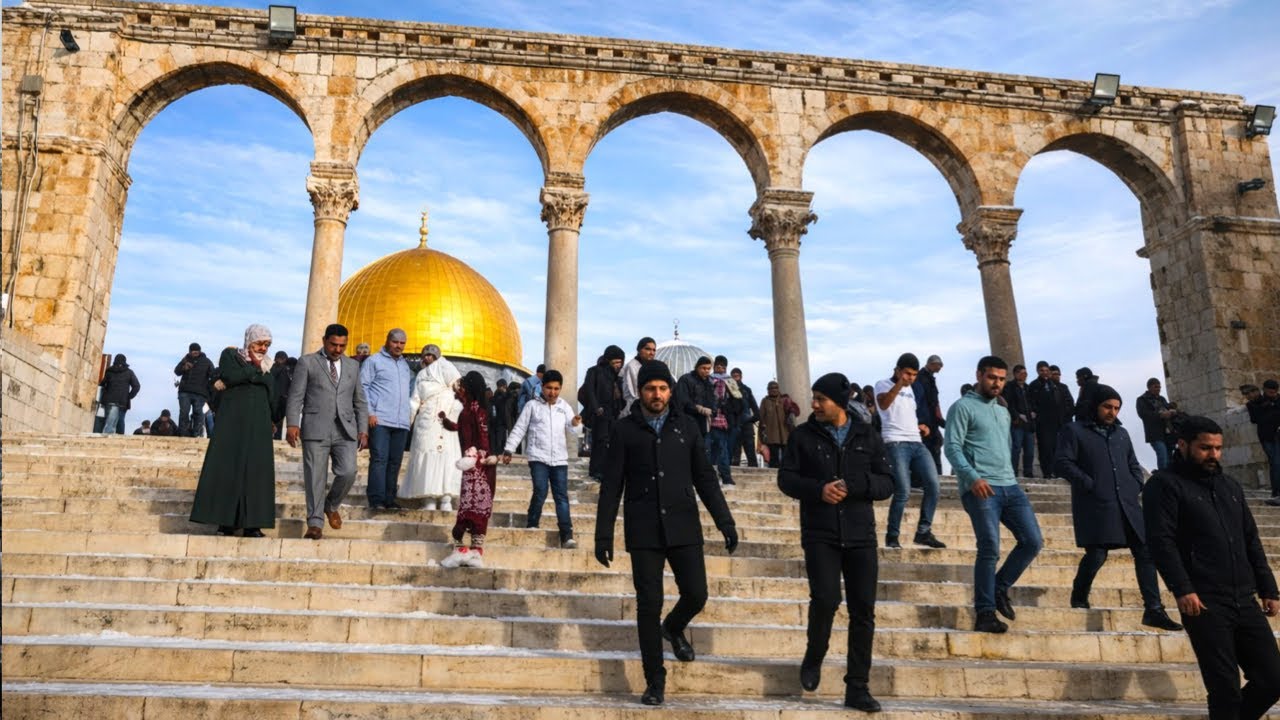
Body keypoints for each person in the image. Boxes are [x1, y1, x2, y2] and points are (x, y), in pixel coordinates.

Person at [595, 360, 737, 706]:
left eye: (661, 388)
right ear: (640, 392)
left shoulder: (687, 427)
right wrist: (603, 535)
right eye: (649, 388)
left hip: (683, 525)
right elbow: (612, 486)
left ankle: (673, 628)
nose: (656, 395)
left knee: (697, 593)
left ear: (670, 391)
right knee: (648, 606)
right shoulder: (626, 430)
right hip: (644, 530)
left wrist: (725, 522)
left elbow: (704, 478)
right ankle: (655, 679)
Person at [1144, 416, 1280, 720]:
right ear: (1183, 445)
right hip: (1204, 601)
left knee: (1273, 680)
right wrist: (1183, 588)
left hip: (1244, 598)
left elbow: (1250, 539)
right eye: (1205, 448)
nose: (1213, 454)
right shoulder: (1164, 485)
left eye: (1218, 448)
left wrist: (1268, 588)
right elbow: (1161, 542)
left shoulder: (1229, 486)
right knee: (1224, 688)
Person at [778, 372, 894, 712]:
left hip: (860, 535)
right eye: (814, 398)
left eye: (820, 399)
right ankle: (814, 656)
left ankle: (857, 686)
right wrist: (819, 490)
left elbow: (886, 483)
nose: (813, 404)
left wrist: (854, 486)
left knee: (863, 612)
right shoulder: (802, 436)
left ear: (839, 404)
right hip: (820, 533)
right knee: (826, 599)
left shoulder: (867, 435)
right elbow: (786, 479)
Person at [1054, 384, 1182, 630]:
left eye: (1116, 408)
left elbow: (1133, 463)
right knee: (1097, 554)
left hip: (1128, 503)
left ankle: (1154, 609)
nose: (1112, 412)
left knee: (1145, 552)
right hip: (1096, 504)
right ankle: (1080, 594)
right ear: (1095, 406)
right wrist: (1089, 483)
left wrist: (1135, 484)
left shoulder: (1121, 434)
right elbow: (1062, 462)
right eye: (1107, 407)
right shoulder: (1074, 430)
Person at [945, 355, 1043, 634]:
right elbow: (952, 447)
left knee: (1033, 541)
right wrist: (972, 477)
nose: (997, 383)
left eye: (1001, 379)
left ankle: (999, 588)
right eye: (992, 378)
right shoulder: (962, 407)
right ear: (979, 375)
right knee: (989, 546)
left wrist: (1012, 478)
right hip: (981, 487)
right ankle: (985, 612)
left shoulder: (1002, 410)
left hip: (1009, 486)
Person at [189, 324, 276, 538]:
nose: (263, 348)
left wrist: (249, 375)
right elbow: (231, 374)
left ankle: (252, 524)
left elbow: (271, 388)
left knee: (256, 472)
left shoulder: (269, 365)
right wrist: (255, 371)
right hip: (232, 421)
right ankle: (226, 521)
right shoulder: (230, 354)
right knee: (228, 467)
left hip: (258, 423)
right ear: (249, 341)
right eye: (259, 343)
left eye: (267, 344)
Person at [285, 323, 369, 540]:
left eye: (342, 345)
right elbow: (296, 396)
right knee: (315, 477)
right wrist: (293, 423)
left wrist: (363, 429)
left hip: (345, 429)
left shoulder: (352, 366)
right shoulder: (307, 362)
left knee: (348, 472)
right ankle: (314, 523)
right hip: (315, 428)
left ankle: (331, 505)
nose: (338, 349)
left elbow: (359, 400)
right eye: (334, 344)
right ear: (324, 341)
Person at [503, 369, 583, 548]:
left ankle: (566, 534)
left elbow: (574, 429)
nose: (552, 392)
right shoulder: (532, 406)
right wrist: (508, 449)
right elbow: (519, 428)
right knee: (540, 490)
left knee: (561, 496)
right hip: (538, 456)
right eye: (549, 388)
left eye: (556, 389)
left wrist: (576, 424)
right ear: (542, 387)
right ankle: (532, 524)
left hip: (560, 460)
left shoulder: (564, 407)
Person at [875, 352, 945, 549]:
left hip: (916, 442)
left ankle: (923, 532)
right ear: (897, 370)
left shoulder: (913, 389)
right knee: (903, 491)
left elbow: (908, 414)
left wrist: (921, 426)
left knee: (933, 486)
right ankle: (892, 536)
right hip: (895, 443)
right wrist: (900, 384)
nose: (910, 378)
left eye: (914, 375)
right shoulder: (882, 384)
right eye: (907, 374)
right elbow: (884, 404)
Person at [440, 371, 499, 568]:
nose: (459, 390)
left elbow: (482, 438)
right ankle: (466, 550)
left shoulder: (477, 410)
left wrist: (477, 457)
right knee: (468, 508)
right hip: (471, 466)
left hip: (480, 467)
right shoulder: (467, 410)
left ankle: (472, 551)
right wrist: (448, 424)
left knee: (476, 510)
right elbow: (464, 429)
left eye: (463, 386)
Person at [403, 344, 463, 511]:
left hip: (444, 418)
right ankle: (428, 498)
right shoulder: (421, 375)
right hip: (425, 421)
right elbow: (414, 399)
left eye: (431, 355)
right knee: (426, 456)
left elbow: (458, 386)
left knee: (446, 456)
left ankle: (446, 498)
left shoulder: (444, 365)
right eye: (425, 355)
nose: (428, 358)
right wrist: (408, 420)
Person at [360, 329, 413, 511]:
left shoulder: (405, 366)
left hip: (401, 422)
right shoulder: (374, 361)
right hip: (380, 419)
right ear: (387, 341)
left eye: (402, 343)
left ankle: (390, 498)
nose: (399, 346)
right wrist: (370, 413)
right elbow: (363, 388)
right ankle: (376, 498)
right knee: (379, 459)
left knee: (395, 461)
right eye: (395, 342)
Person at [582, 345, 625, 481]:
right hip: (599, 414)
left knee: (610, 442)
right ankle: (596, 471)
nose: (619, 365)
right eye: (616, 362)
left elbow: (621, 398)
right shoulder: (594, 371)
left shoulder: (618, 378)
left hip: (613, 414)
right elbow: (589, 391)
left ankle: (604, 470)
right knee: (600, 442)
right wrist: (596, 408)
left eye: (620, 362)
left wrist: (619, 397)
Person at [1028, 361, 1071, 479]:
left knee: (1058, 448)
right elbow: (1031, 403)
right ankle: (1047, 472)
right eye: (1042, 371)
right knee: (1045, 448)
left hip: (1058, 423)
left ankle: (1057, 472)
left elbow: (1066, 403)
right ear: (1037, 371)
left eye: (1047, 371)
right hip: (1043, 423)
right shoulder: (1034, 385)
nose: (1045, 373)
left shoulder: (1055, 385)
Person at [705, 356, 742, 487]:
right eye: (718, 366)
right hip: (708, 419)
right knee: (707, 450)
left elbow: (737, 399)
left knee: (723, 450)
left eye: (722, 367)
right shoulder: (708, 379)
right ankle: (707, 477)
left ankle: (726, 476)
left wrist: (730, 412)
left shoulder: (730, 381)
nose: (720, 369)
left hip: (723, 420)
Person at [1246, 379, 1280, 506]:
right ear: (1264, 390)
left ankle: (1277, 493)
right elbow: (1255, 419)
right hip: (1267, 437)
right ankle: (1276, 493)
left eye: (1275, 392)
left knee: (1277, 463)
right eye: (1271, 392)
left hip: (1278, 435)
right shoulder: (1255, 403)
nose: (1273, 394)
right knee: (1275, 463)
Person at [913, 354, 946, 474]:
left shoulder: (930, 378)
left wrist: (940, 419)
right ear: (931, 364)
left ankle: (936, 475)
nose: (939, 370)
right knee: (926, 449)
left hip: (932, 420)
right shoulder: (920, 378)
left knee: (935, 446)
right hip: (924, 420)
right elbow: (920, 401)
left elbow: (935, 401)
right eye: (938, 367)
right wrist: (921, 421)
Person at [174, 342, 214, 437]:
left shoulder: (207, 361)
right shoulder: (185, 359)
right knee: (184, 412)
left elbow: (212, 375)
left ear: (200, 351)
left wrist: (209, 391)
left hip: (200, 393)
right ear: (190, 351)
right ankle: (183, 433)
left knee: (198, 413)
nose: (195, 353)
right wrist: (184, 367)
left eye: (196, 351)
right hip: (185, 391)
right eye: (193, 351)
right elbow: (177, 371)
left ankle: (197, 434)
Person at [1002, 364, 1036, 477]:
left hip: (1029, 424)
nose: (1024, 376)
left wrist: (1033, 412)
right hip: (1017, 423)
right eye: (1022, 373)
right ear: (1016, 374)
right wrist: (1016, 416)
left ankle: (1028, 472)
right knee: (1016, 449)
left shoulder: (1028, 388)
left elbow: (1033, 403)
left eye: (1025, 373)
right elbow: (1007, 404)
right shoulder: (1009, 387)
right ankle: (1014, 473)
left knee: (1030, 450)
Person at [1136, 377, 1176, 471]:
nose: (1158, 389)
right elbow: (1143, 414)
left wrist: (1171, 412)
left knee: (1170, 458)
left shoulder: (1162, 399)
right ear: (1149, 387)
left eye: (1159, 387)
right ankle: (1164, 478)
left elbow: (1166, 408)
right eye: (1156, 387)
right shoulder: (1142, 400)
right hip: (1155, 434)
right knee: (1163, 456)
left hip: (1167, 432)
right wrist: (1160, 415)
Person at [759, 380, 800, 469]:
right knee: (773, 457)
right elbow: (761, 417)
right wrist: (762, 434)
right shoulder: (765, 401)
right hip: (771, 434)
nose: (774, 390)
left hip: (785, 433)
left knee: (786, 455)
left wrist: (791, 413)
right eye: (771, 388)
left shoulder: (785, 399)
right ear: (768, 390)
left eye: (776, 388)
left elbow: (796, 411)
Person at [98, 354, 140, 435]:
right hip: (122, 402)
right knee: (120, 421)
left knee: (109, 421)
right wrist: (129, 397)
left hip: (108, 401)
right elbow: (137, 386)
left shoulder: (109, 371)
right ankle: (119, 438)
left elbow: (102, 384)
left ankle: (108, 436)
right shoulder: (129, 372)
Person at [675, 355, 716, 436]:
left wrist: (713, 411)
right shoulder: (686, 379)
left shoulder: (709, 383)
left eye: (708, 369)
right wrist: (698, 408)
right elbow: (681, 400)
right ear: (697, 367)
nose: (706, 371)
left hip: (704, 423)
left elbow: (712, 399)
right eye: (703, 368)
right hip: (687, 421)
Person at [730, 368, 760, 467]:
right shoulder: (728, 389)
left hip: (746, 423)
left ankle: (754, 473)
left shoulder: (746, 389)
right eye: (733, 376)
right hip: (734, 423)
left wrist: (753, 418)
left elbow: (754, 405)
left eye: (737, 376)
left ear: (741, 377)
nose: (735, 378)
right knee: (735, 453)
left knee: (750, 450)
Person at [620, 337, 657, 416]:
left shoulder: (651, 367)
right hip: (633, 411)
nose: (652, 353)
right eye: (648, 349)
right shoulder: (632, 366)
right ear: (639, 350)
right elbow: (632, 394)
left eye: (654, 350)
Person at [269, 351, 294, 440]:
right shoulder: (285, 370)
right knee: (277, 425)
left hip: (272, 401)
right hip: (280, 401)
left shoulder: (270, 369)